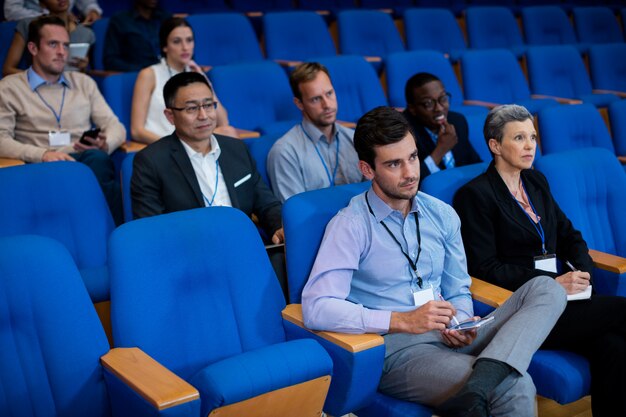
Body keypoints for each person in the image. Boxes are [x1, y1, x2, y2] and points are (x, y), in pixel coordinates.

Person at [302, 106, 567, 417]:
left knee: (547, 289)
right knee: (515, 385)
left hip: (452, 334)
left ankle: (483, 380)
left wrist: (464, 321)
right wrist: (401, 320)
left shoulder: (441, 214)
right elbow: (316, 306)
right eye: (394, 164)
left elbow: (458, 288)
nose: (410, 173)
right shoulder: (350, 225)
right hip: (400, 350)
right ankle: (491, 379)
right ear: (367, 169)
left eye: (413, 157)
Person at [453, 104, 626, 417]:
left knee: (613, 348)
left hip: (571, 298)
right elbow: (484, 267)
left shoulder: (535, 182)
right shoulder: (475, 195)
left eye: (532, 136)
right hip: (526, 309)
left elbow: (570, 235)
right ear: (495, 145)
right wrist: (551, 283)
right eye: (519, 137)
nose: (530, 145)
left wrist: (583, 274)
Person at [0, 15, 125, 224]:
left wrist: (106, 144)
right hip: (40, 169)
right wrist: (43, 154)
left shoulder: (84, 83)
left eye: (66, 45)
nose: (62, 52)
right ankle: (113, 230)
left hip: (87, 161)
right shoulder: (10, 88)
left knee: (98, 160)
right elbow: (1, 140)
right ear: (32, 48)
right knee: (100, 173)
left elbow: (116, 126)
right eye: (53, 44)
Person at [267, 62, 363, 202]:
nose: (327, 105)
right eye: (316, 99)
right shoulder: (285, 152)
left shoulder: (355, 139)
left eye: (329, 93)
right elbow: (296, 214)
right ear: (299, 103)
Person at [130, 17, 232, 145]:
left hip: (192, 142)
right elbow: (137, 130)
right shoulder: (149, 74)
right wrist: (176, 146)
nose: (185, 47)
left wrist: (204, 80)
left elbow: (223, 122)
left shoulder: (195, 73)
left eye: (189, 40)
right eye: (177, 41)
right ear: (165, 46)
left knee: (228, 132)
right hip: (165, 145)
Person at [403, 72, 481, 180]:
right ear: (412, 109)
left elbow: (476, 165)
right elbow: (410, 181)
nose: (439, 108)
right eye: (428, 103)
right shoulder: (404, 133)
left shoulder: (457, 121)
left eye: (443, 99)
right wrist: (441, 150)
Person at [3, 0, 95, 77]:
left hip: (71, 89)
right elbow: (8, 70)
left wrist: (83, 68)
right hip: (36, 90)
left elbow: (81, 74)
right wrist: (41, 78)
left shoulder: (85, 33)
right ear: (41, 3)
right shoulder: (29, 25)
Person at [104, 0, 170, 72]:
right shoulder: (120, 21)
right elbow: (111, 60)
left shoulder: (166, 18)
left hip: (167, 72)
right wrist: (142, 71)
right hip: (136, 75)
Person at [4, 0, 102, 24]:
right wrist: (50, 16)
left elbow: (88, 3)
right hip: (34, 23)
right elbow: (11, 10)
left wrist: (93, 11)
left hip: (68, 23)